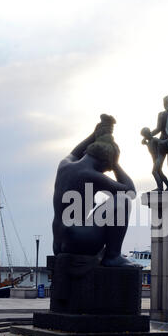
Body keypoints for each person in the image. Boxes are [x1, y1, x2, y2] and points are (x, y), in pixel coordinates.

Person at [52, 114, 136, 267]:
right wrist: (116, 164)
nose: (106, 172)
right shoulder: (91, 176)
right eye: (108, 169)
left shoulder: (64, 165)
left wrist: (94, 134)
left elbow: (74, 152)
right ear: (104, 163)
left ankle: (109, 254)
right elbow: (131, 192)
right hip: (78, 240)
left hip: (58, 243)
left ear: (87, 152)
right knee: (122, 200)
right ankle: (113, 256)